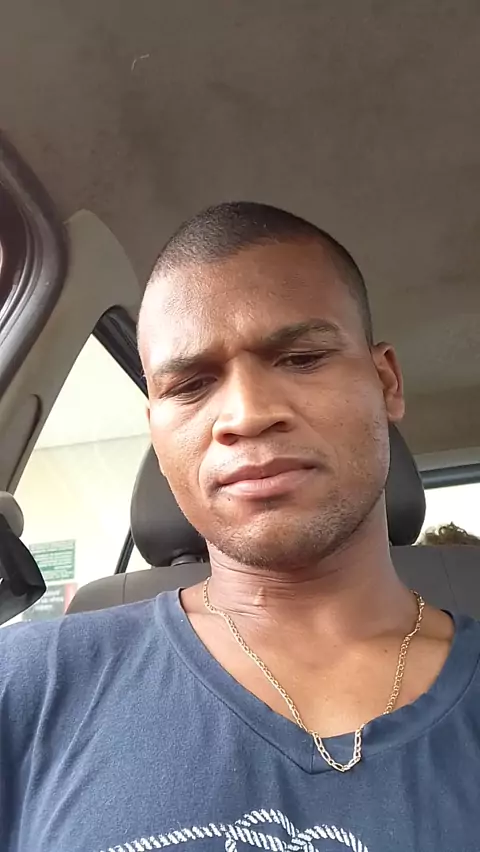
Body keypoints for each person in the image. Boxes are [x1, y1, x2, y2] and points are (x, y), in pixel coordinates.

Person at [0, 202, 479, 852]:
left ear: (386, 381)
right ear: (156, 432)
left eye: (302, 357)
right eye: (190, 386)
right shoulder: (28, 683)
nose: (247, 415)